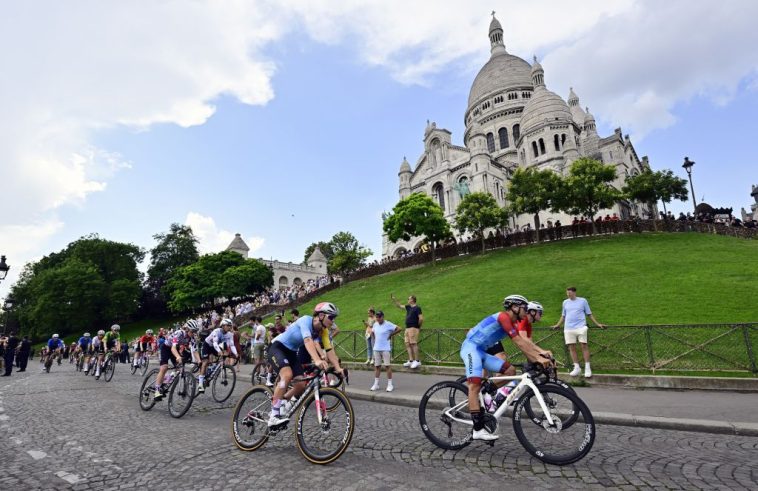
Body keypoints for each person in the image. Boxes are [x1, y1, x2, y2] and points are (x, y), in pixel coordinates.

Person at [459, 295, 553, 441]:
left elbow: (525, 342)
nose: (526, 311)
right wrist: (538, 359)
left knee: (510, 371)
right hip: (471, 348)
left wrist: (540, 354)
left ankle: (485, 393)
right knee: (474, 386)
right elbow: (519, 343)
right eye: (525, 308)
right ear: (515, 307)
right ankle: (477, 429)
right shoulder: (503, 317)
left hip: (482, 351)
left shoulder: (513, 322)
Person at [267, 302, 342, 427]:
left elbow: (329, 350)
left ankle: (283, 402)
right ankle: (273, 416)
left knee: (301, 384)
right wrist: (317, 360)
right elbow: (307, 340)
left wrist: (339, 368)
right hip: (278, 347)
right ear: (321, 315)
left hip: (291, 352)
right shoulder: (305, 320)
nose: (333, 321)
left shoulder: (323, 331)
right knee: (287, 375)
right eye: (331, 317)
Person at [551, 287, 605, 378]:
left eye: (570, 293)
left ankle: (587, 367)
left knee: (584, 345)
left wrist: (597, 323)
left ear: (574, 292)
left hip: (581, 327)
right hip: (568, 328)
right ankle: (576, 367)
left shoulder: (583, 301)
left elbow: (589, 314)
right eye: (567, 293)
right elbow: (563, 315)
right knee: (571, 347)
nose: (568, 294)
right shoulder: (565, 302)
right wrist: (558, 325)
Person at [370, 311, 401, 392]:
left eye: (379, 317)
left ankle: (390, 384)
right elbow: (372, 332)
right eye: (377, 317)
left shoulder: (388, 324)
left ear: (383, 317)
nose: (378, 319)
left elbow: (399, 328)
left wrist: (391, 335)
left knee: (387, 366)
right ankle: (376, 384)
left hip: (385, 348)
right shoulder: (375, 324)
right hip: (376, 348)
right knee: (377, 366)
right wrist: (374, 339)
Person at [390, 293, 423, 368]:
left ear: (412, 300)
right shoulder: (408, 307)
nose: (407, 300)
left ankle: (417, 361)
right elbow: (399, 306)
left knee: (413, 343)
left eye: (408, 298)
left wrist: (418, 327)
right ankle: (411, 360)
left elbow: (421, 318)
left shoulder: (417, 308)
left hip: (413, 328)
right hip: (407, 328)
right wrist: (394, 300)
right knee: (407, 344)